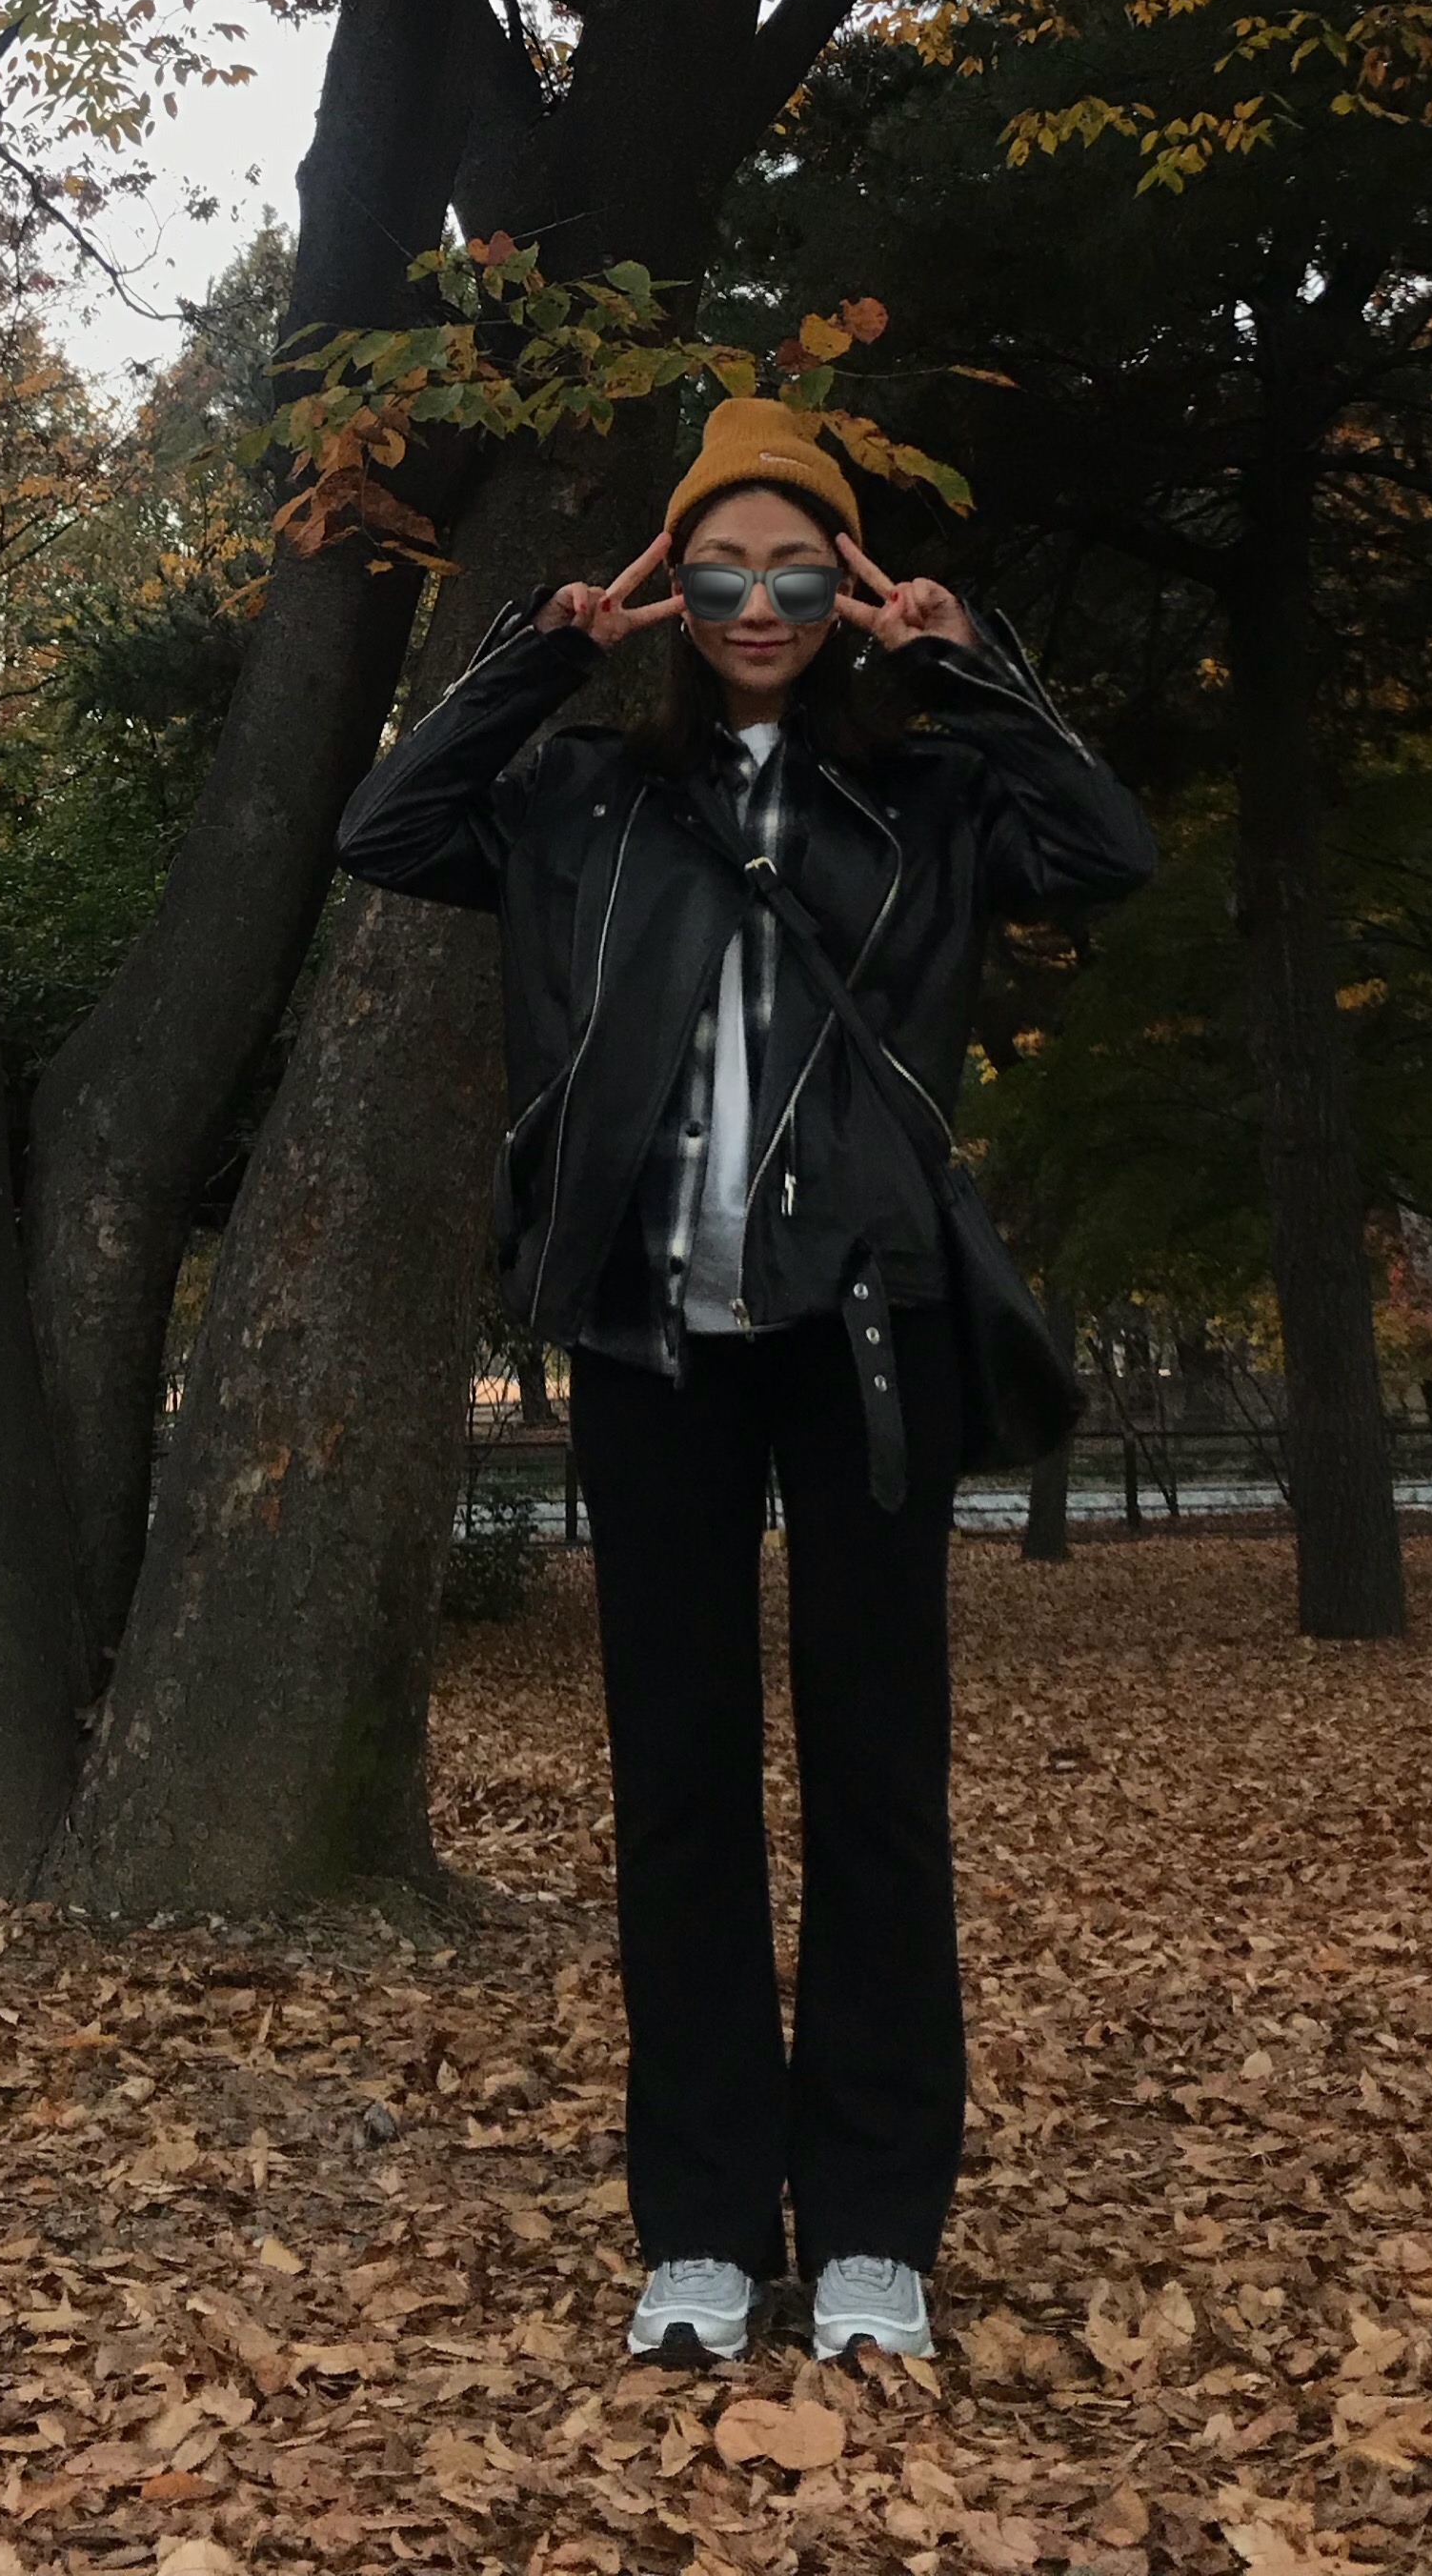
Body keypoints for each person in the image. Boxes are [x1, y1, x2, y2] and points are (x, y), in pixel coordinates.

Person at [334, 396, 1156, 2365]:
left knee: (880, 1785)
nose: (761, 604)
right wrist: (541, 651)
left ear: (845, 587)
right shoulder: (583, 800)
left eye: (799, 570)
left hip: (873, 1334)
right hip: (651, 1336)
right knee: (679, 1788)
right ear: (678, 587)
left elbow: (1105, 850)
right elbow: (386, 830)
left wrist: (972, 663)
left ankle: (874, 2228)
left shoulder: (930, 796)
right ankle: (701, 2229)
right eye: (722, 571)